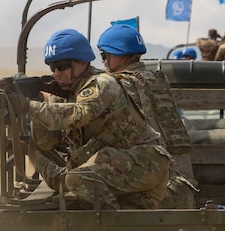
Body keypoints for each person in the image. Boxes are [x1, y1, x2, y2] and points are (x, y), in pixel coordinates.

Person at [15, 28, 171, 210]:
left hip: (145, 163)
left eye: (62, 65)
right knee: (70, 180)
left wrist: (29, 107)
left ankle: (108, 227)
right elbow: (46, 142)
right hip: (114, 167)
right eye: (52, 67)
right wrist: (36, 102)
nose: (56, 73)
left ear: (82, 62)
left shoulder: (102, 84)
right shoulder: (63, 95)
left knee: (76, 179)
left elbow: (79, 114)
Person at [95, 24, 199, 208]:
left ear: (118, 55)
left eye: (104, 55)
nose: (103, 62)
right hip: (183, 189)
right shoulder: (157, 81)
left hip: (155, 196)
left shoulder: (118, 85)